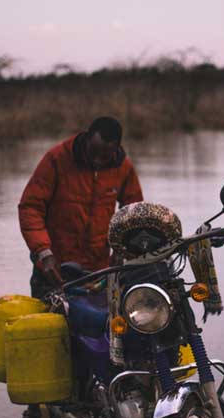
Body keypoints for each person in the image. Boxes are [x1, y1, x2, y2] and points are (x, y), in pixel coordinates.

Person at [18, 116, 143, 296]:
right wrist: (43, 252)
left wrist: (122, 249)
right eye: (94, 152)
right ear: (87, 138)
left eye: (105, 156)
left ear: (116, 149)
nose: (98, 160)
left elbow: (133, 214)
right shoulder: (57, 159)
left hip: (98, 273)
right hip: (53, 270)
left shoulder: (123, 168)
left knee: (100, 323)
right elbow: (30, 208)